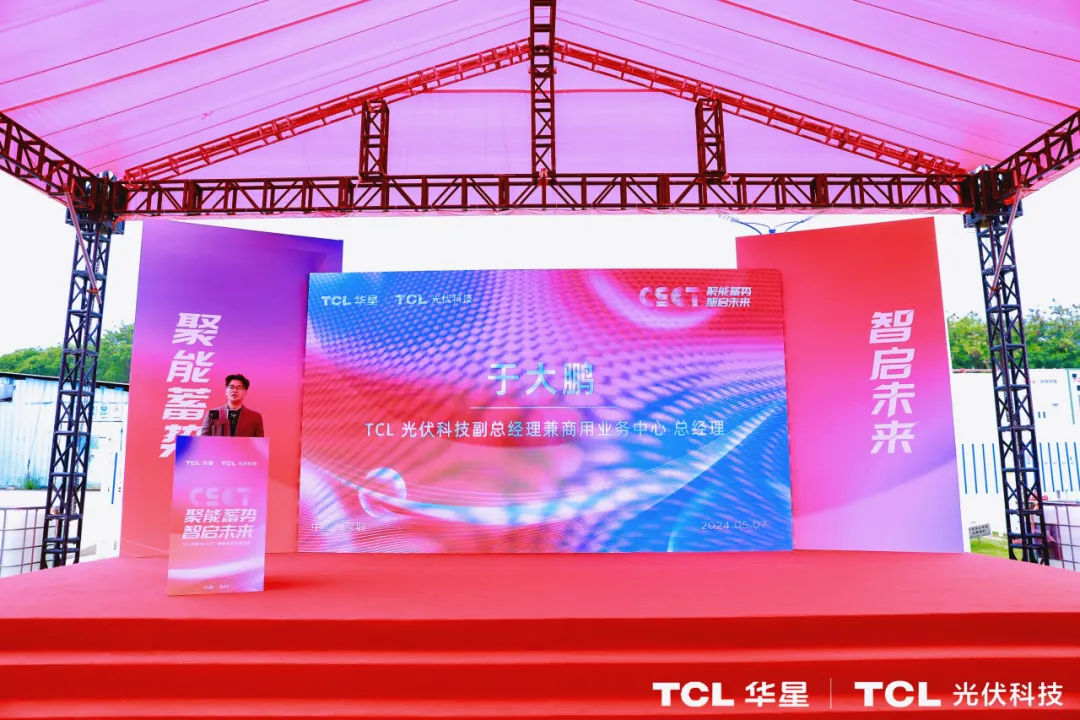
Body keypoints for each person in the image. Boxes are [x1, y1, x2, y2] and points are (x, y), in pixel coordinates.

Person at [200, 374, 265, 437]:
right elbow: (204, 438)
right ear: (226, 390)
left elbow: (259, 442)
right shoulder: (213, 413)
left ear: (245, 392)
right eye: (231, 387)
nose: (234, 390)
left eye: (239, 388)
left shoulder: (255, 417)